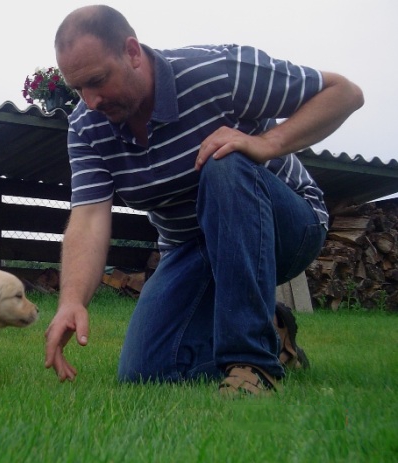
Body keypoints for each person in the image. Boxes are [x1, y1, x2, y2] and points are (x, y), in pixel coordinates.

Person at [44, 5, 364, 396]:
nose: (90, 100)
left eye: (97, 80)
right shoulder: (86, 127)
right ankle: (276, 337)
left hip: (287, 228)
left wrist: (267, 143)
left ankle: (252, 365)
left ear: (131, 52)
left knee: (222, 161)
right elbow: (90, 218)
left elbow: (344, 93)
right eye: (79, 88)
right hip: (193, 247)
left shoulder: (219, 72)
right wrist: (72, 301)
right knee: (145, 372)